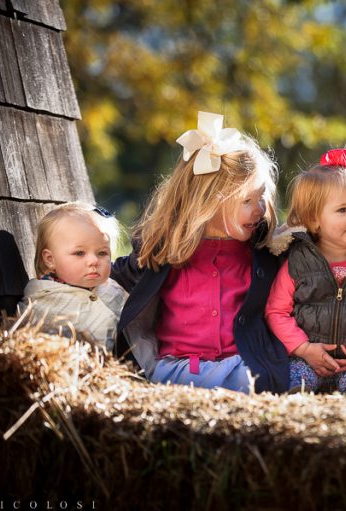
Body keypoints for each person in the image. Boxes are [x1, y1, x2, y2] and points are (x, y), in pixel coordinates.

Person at [111, 111, 288, 394]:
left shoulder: (263, 252)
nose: (259, 209)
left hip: (241, 368)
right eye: (247, 200)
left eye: (262, 196)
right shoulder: (167, 248)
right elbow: (115, 275)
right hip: (177, 370)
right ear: (210, 201)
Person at [265, 148, 346, 397]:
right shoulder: (298, 261)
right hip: (308, 358)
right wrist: (303, 348)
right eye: (343, 210)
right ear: (314, 218)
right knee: (295, 383)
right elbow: (276, 311)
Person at [19, 201, 127, 351]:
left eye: (102, 253)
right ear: (50, 259)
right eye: (79, 253)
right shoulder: (44, 300)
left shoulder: (115, 290)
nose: (94, 261)